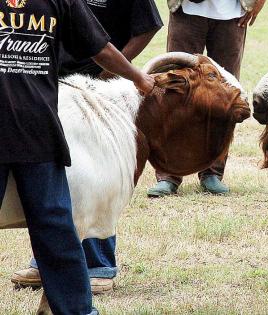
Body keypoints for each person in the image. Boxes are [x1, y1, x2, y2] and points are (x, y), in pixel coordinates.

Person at [0, 0, 154, 314]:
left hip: (38, 129)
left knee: (56, 226)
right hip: (31, 126)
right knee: (56, 225)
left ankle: (76, 310)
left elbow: (99, 47)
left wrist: (137, 76)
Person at [147, 0, 266, 198]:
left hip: (232, 14)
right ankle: (169, 174)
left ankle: (213, 172)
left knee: (225, 94)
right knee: (176, 88)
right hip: (186, 9)